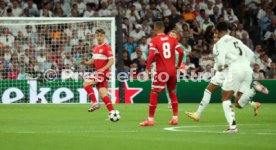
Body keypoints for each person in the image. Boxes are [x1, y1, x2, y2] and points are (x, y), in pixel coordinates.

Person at [187, 22, 267, 133]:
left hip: (234, 70)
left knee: (225, 98)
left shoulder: (220, 42)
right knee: (238, 103)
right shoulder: (237, 40)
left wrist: (220, 67)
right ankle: (253, 90)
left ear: (218, 31)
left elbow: (220, 61)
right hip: (247, 70)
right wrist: (244, 63)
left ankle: (233, 127)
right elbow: (252, 56)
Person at [139, 21, 184, 126]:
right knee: (172, 92)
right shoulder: (173, 39)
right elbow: (181, 52)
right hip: (173, 70)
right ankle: (175, 118)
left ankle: (150, 119)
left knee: (154, 92)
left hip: (162, 72)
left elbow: (150, 55)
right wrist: (178, 65)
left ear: (155, 29)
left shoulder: (154, 40)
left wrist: (147, 68)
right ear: (164, 29)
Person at [81, 29, 117, 116]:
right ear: (96, 36)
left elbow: (111, 61)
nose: (99, 37)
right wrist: (86, 63)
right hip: (100, 72)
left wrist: (103, 69)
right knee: (103, 94)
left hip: (102, 73)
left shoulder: (106, 47)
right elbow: (94, 60)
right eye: (98, 36)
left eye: (101, 36)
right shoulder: (96, 47)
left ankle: (95, 103)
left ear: (104, 36)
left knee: (86, 83)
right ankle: (113, 113)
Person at [165, 30, 186, 109]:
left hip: (177, 67)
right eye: (171, 34)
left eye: (174, 34)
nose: (172, 36)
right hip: (167, 66)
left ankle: (173, 100)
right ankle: (170, 101)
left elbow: (184, 55)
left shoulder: (180, 45)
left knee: (173, 85)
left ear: (176, 36)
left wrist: (182, 64)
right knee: (167, 84)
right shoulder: (165, 45)